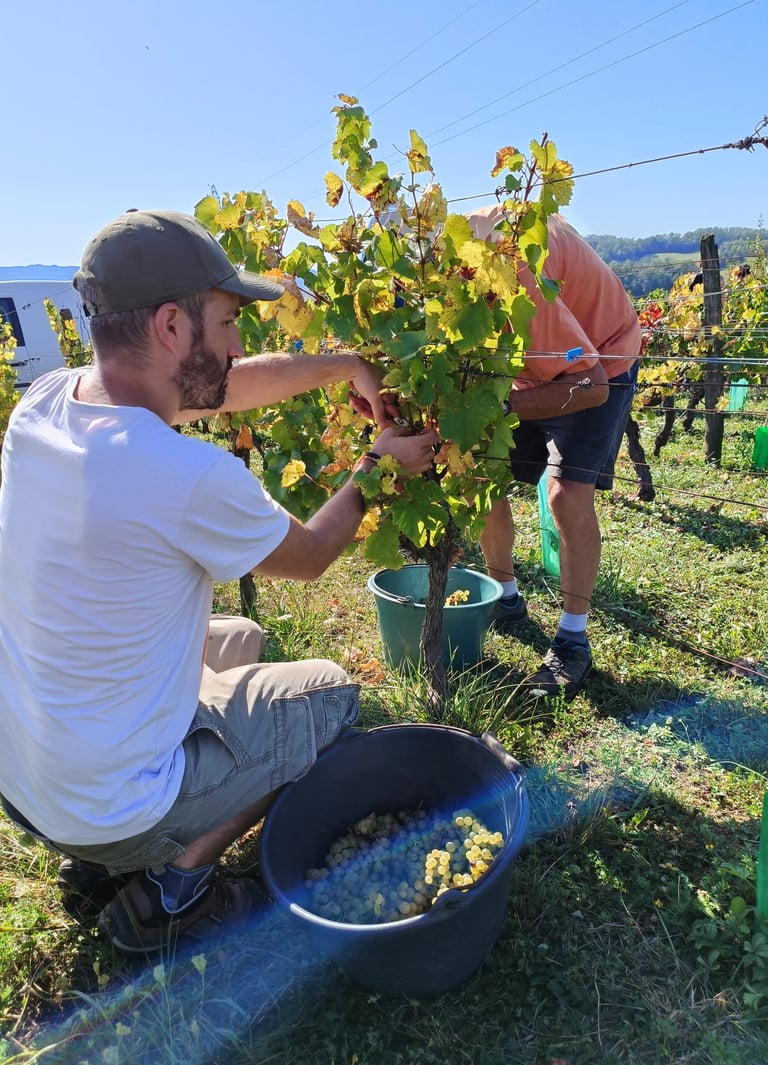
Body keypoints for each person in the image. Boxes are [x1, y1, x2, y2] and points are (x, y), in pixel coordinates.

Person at [0, 208, 438, 954]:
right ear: (172, 326)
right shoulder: (185, 476)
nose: (239, 344)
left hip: (26, 784)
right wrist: (378, 466)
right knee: (329, 694)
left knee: (241, 638)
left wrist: (342, 365)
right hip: (108, 804)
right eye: (229, 320)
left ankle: (94, 858)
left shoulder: (44, 405)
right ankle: (168, 888)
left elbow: (224, 389)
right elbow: (309, 556)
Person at [466, 204, 641, 700]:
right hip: (531, 361)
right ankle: (504, 595)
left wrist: (500, 404)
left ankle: (572, 637)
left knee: (566, 494)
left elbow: (590, 383)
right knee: (480, 474)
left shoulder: (514, 275)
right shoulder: (447, 263)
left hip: (600, 361)